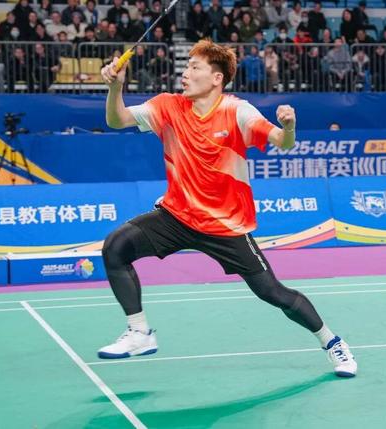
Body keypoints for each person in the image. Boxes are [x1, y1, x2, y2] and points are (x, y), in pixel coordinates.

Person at [97, 40, 358, 377]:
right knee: (116, 247)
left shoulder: (237, 111)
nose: (185, 74)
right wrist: (115, 87)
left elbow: (282, 141)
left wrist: (289, 126)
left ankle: (332, 342)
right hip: (178, 215)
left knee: (272, 292)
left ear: (217, 78)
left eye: (195, 68)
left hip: (226, 225)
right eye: (187, 66)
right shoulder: (168, 106)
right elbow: (117, 120)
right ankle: (139, 332)